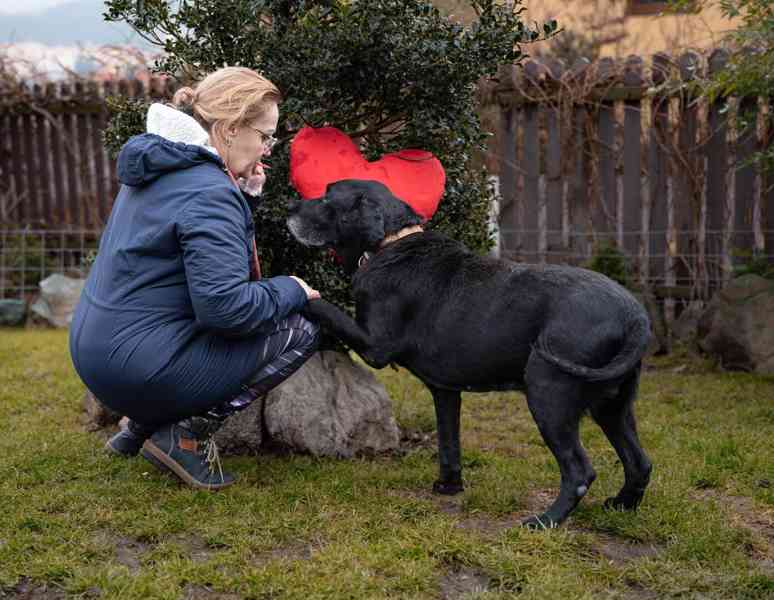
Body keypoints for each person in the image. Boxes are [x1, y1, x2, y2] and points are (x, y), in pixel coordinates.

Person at [69, 67, 321, 490]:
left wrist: (242, 198)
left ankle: (137, 429)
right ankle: (184, 436)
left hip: (97, 356)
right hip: (136, 367)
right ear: (227, 129)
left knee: (184, 323)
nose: (267, 148)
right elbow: (226, 309)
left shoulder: (164, 165)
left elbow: (187, 253)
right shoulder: (209, 192)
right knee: (300, 329)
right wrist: (292, 288)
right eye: (264, 135)